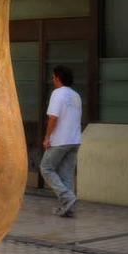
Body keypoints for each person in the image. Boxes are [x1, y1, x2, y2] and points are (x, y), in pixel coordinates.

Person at [40, 65, 83, 217]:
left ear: (57, 78)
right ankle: (68, 209)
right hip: (75, 139)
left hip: (60, 140)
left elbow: (53, 118)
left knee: (46, 168)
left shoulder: (57, 93)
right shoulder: (76, 95)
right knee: (67, 175)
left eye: (53, 77)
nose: (52, 80)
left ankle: (67, 197)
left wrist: (47, 137)